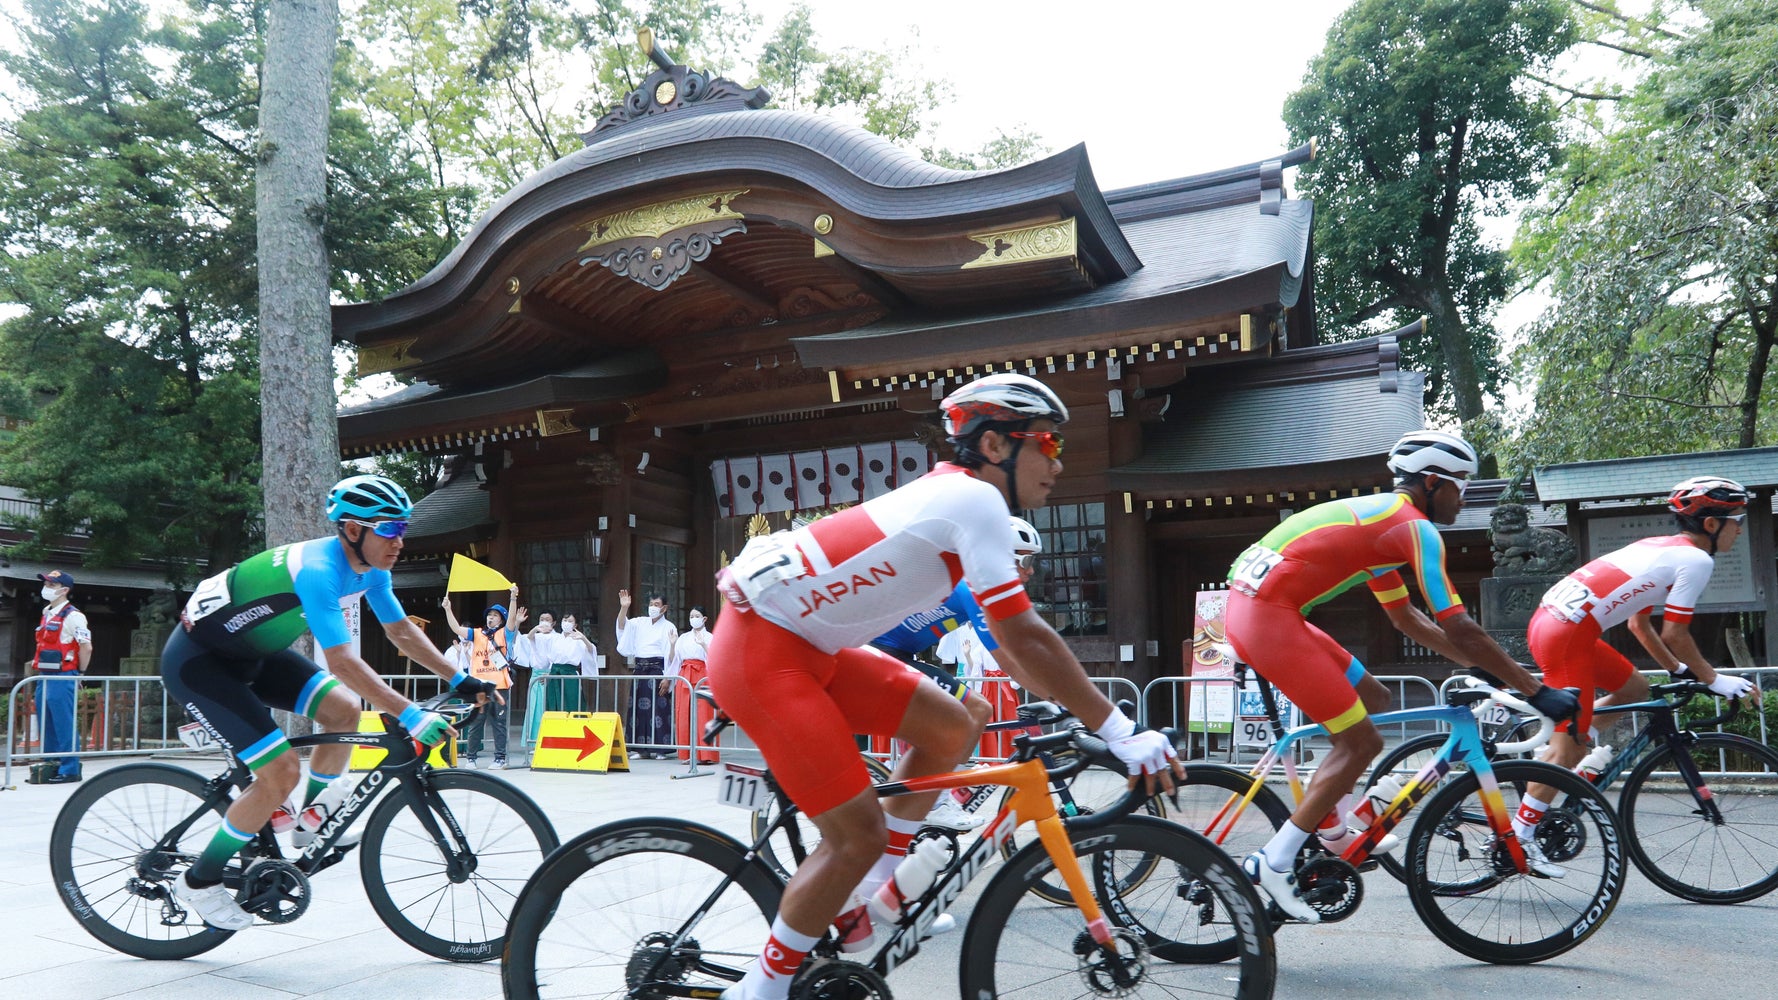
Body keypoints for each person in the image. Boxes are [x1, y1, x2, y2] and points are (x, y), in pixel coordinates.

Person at [708, 373, 1180, 1000]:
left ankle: (870, 904)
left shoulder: (969, 504)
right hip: (762, 651)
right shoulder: (973, 500)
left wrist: (1064, 713)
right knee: (856, 833)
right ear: (994, 447)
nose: (1058, 463)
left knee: (957, 723)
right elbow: (1024, 638)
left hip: (812, 646)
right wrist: (1117, 728)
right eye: (1049, 443)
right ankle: (760, 992)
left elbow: (1014, 653)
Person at [1223, 430, 1581, 921]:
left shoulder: (1381, 525)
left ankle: (1330, 823)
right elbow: (1460, 624)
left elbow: (1407, 620)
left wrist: (1476, 666)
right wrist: (1536, 690)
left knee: (1374, 696)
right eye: (1461, 484)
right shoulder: (1416, 529)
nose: (1465, 496)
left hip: (1258, 609)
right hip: (1269, 617)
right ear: (1433, 483)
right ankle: (1274, 861)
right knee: (1363, 743)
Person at [159, 474, 497, 932]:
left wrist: (459, 678)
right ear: (353, 530)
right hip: (200, 665)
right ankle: (199, 882)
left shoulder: (373, 568)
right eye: (390, 529)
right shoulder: (319, 570)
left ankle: (309, 824)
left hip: (251, 656)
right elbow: (342, 661)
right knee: (280, 773)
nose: (401, 540)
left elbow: (399, 632)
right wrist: (411, 715)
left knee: (343, 710)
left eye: (404, 528)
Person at [1515, 476, 1756, 869]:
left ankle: (1573, 735)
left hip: (1558, 624)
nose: (1740, 528)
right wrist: (1714, 678)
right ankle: (1520, 837)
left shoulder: (1659, 547)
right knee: (1568, 749)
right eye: (1736, 519)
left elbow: (1638, 626)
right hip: (1568, 637)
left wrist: (1678, 670)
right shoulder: (1696, 560)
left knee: (1634, 687)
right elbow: (1674, 633)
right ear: (1711, 525)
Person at [442, 590, 524, 769]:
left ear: (501, 619)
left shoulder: (505, 634)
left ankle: (500, 758)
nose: (491, 618)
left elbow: (511, 620)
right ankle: (471, 758)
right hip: (478, 685)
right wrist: (448, 609)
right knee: (476, 721)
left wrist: (512, 598)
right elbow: (457, 629)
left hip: (499, 685)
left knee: (498, 722)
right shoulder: (477, 633)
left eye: (495, 616)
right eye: (489, 615)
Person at [28, 570, 91, 783]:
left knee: (64, 722)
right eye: (46, 583)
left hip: (64, 675)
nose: (47, 587)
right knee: (47, 721)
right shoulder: (47, 612)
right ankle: (51, 765)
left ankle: (70, 769)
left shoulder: (74, 615)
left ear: (64, 590)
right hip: (45, 674)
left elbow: (86, 646)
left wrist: (80, 673)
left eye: (52, 585)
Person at [615, 590, 677, 759]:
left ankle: (661, 749)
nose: (653, 608)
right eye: (651, 604)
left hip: (658, 670)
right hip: (640, 669)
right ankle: (641, 749)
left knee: (659, 709)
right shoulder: (640, 622)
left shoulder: (669, 626)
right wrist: (624, 608)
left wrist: (667, 678)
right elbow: (622, 627)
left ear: (664, 608)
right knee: (637, 709)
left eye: (656, 605)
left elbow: (671, 655)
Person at [521, 609, 592, 747]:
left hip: (569, 674)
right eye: (564, 621)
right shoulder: (556, 638)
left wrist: (584, 638)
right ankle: (553, 741)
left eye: (570, 621)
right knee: (553, 706)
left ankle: (574, 740)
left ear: (575, 624)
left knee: (571, 705)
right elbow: (542, 650)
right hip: (554, 673)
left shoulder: (578, 638)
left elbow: (590, 650)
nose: (566, 623)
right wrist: (548, 673)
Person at [666, 606, 717, 764]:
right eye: (691, 615)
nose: (693, 618)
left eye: (697, 615)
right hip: (685, 674)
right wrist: (673, 644)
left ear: (704, 619)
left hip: (702, 675)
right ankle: (687, 753)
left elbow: (716, 659)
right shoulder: (683, 638)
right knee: (684, 713)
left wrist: (704, 645)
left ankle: (705, 754)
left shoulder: (711, 637)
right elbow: (674, 660)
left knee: (704, 714)